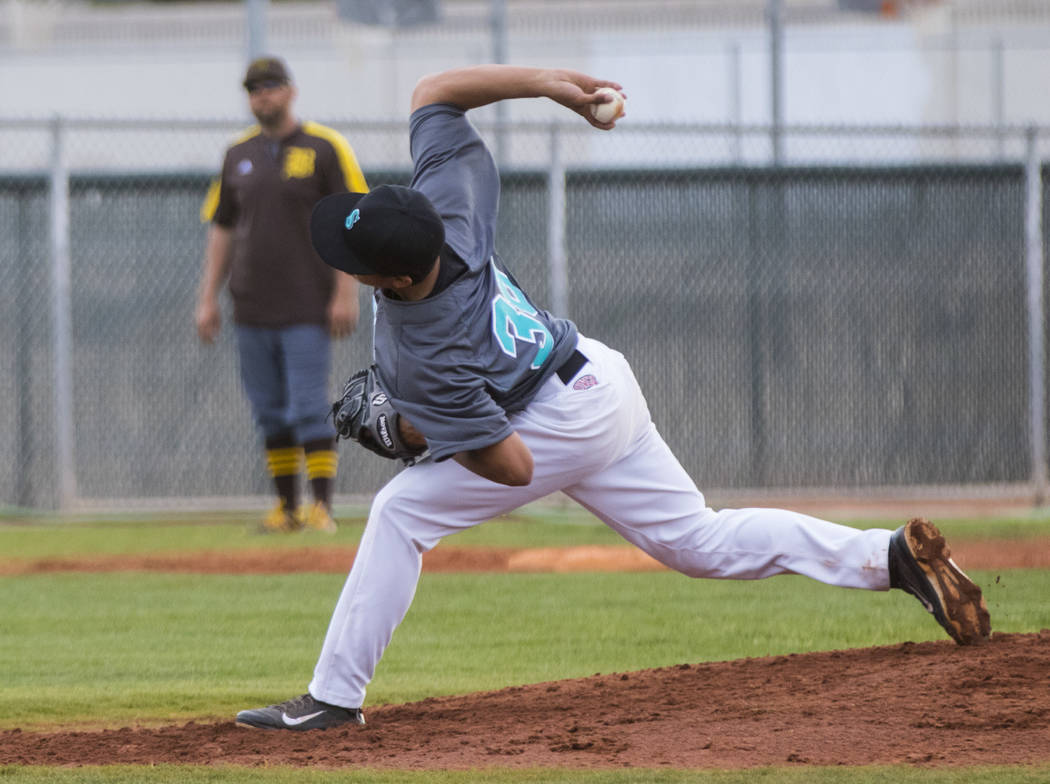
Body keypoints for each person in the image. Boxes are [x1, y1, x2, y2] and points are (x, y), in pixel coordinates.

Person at [234, 64, 991, 730]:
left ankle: (334, 698)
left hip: (550, 423)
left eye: (356, 259)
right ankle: (887, 557)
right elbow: (434, 93)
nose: (346, 258)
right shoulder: (449, 206)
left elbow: (515, 465)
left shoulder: (420, 350)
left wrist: (406, 431)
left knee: (401, 511)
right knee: (700, 541)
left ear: (392, 277)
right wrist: (551, 86)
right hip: (599, 374)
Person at [196, 56, 369, 534]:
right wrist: (208, 296)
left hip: (307, 304)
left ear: (291, 91)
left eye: (271, 87)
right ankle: (287, 508)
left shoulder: (324, 147)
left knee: (308, 404)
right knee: (269, 408)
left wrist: (346, 292)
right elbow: (222, 228)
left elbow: (352, 218)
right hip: (251, 305)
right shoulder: (237, 154)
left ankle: (322, 508)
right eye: (254, 90)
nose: (262, 97)